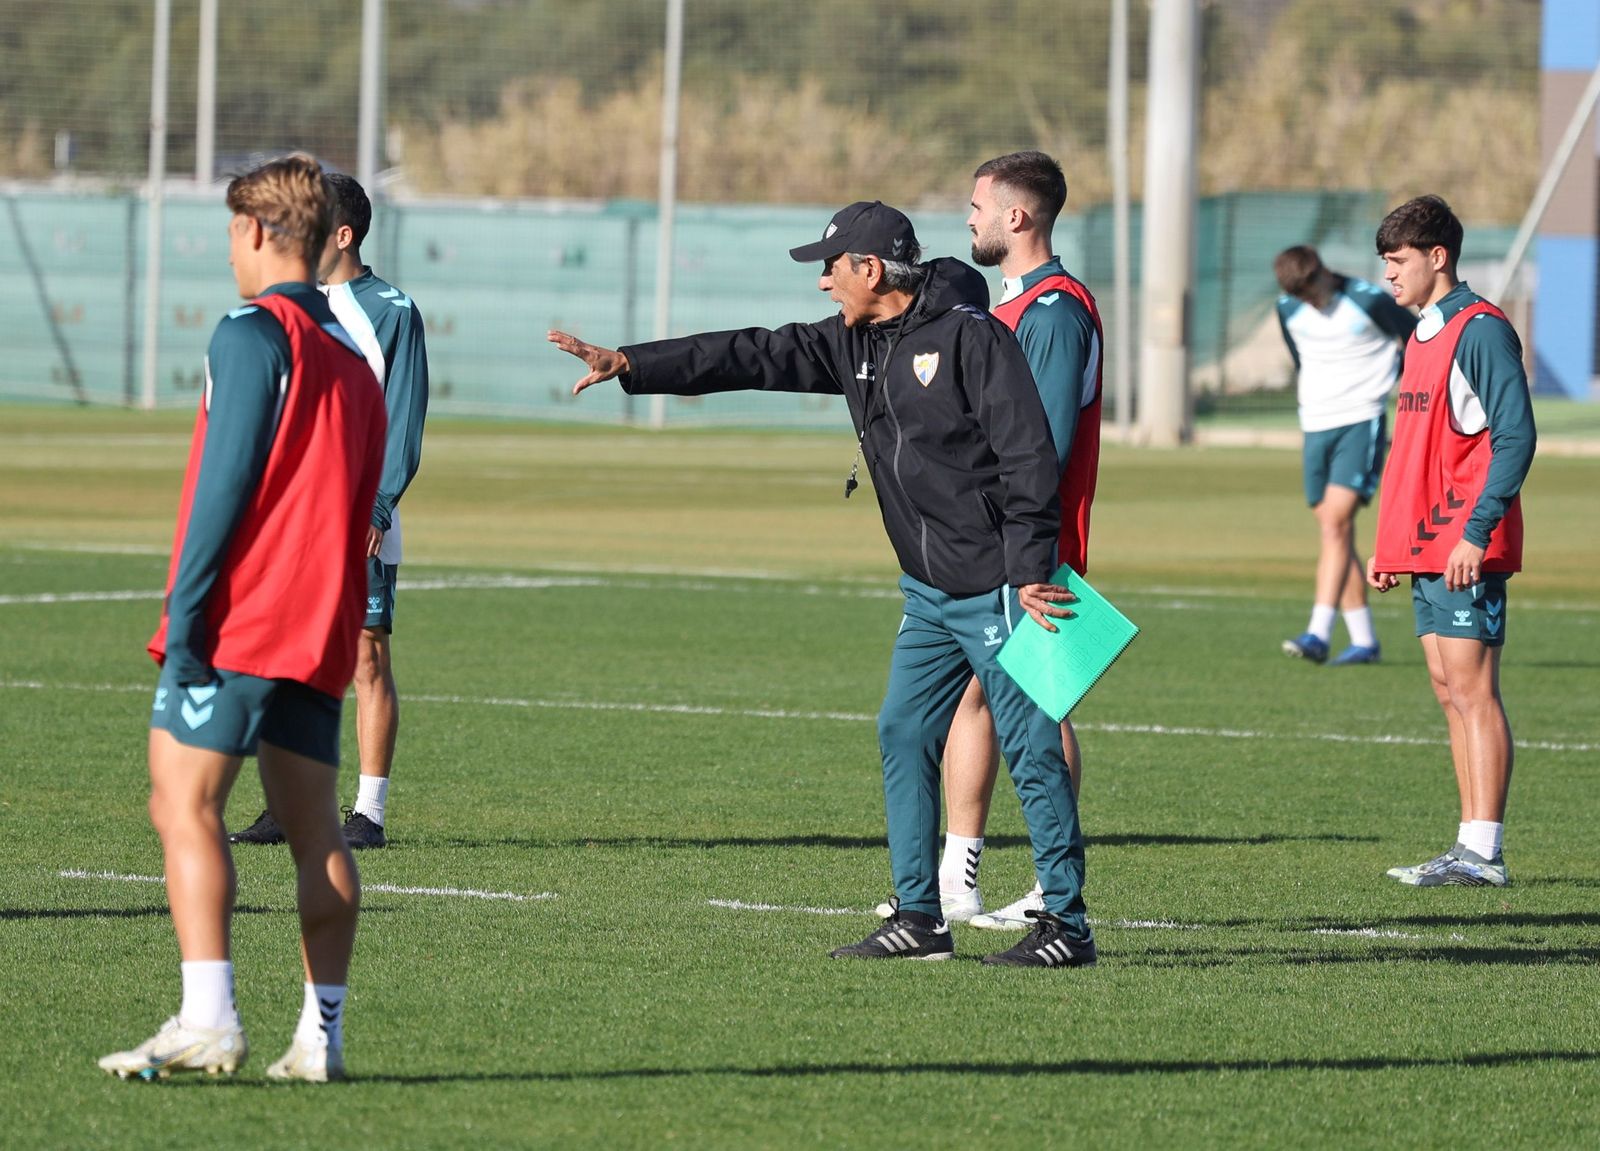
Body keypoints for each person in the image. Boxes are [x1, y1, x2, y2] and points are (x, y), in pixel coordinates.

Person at [549, 200, 1095, 968]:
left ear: (870, 270)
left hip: (999, 583)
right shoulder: (853, 342)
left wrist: (1030, 567)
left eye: (831, 268)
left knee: (1033, 746)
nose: (823, 284)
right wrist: (633, 364)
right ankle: (919, 917)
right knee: (902, 731)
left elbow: (1030, 454)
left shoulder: (973, 339)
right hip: (929, 593)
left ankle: (1067, 927)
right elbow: (749, 353)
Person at [98, 154, 387, 1082]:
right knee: (316, 833)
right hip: (320, 627)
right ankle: (322, 1038)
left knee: (183, 803)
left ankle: (207, 1016)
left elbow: (221, 487)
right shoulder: (355, 361)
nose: (229, 248)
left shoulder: (249, 334)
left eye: (231, 229)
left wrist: (185, 617)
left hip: (241, 621)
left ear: (260, 232)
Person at [880, 151, 1103, 932]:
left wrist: (1023, 550)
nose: (967, 218)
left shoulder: (1053, 313)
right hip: (982, 548)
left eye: (977, 205)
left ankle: (1051, 891)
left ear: (1018, 216)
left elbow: (1032, 444)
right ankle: (954, 880)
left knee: (1039, 704)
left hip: (1028, 548)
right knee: (975, 702)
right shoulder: (1006, 310)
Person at [229, 172, 430, 851]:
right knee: (282, 654)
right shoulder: (289, 306)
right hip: (290, 514)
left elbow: (402, 419)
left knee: (366, 656)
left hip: (359, 512)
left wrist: (377, 505)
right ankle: (283, 805)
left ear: (341, 235)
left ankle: (368, 812)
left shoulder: (393, 311)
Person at [1367, 194, 1535, 887]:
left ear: (1439, 257)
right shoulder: (1422, 336)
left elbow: (1516, 437)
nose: (1388, 276)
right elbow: (1414, 453)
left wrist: (1476, 531)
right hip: (1424, 550)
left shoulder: (1480, 329)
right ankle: (1468, 844)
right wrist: (1389, 545)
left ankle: (1485, 851)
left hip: (1464, 549)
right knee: (1448, 690)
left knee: (1474, 690)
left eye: (1398, 261)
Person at [1274, 244, 1416, 666]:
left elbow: (1417, 340)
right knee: (1335, 533)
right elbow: (1302, 359)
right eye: (1300, 297)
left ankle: (1318, 632)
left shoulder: (1367, 299)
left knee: (1335, 524)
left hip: (1361, 419)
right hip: (1314, 425)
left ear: (1322, 272)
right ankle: (1364, 640)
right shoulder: (1287, 309)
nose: (1309, 303)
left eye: (1311, 291)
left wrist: (1399, 388)